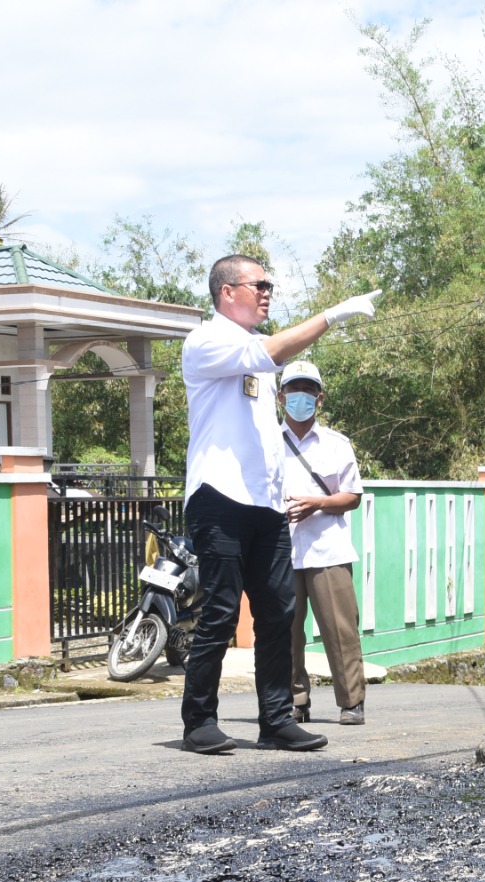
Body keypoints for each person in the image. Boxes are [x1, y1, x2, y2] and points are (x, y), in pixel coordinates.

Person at [178, 253, 379, 755]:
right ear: (227, 292)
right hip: (218, 498)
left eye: (271, 285)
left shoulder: (253, 351)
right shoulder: (206, 341)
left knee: (277, 613)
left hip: (264, 505)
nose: (268, 292)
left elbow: (272, 361)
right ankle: (199, 721)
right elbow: (271, 353)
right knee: (221, 612)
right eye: (258, 285)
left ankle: (276, 718)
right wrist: (333, 315)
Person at [278, 359, 369, 728]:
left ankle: (352, 702)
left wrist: (317, 503)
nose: (301, 396)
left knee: (340, 629)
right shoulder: (266, 442)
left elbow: (353, 496)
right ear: (281, 396)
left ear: (320, 398)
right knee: (284, 631)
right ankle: (294, 701)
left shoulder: (336, 444)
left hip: (327, 549)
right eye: (294, 389)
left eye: (309, 389)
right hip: (281, 551)